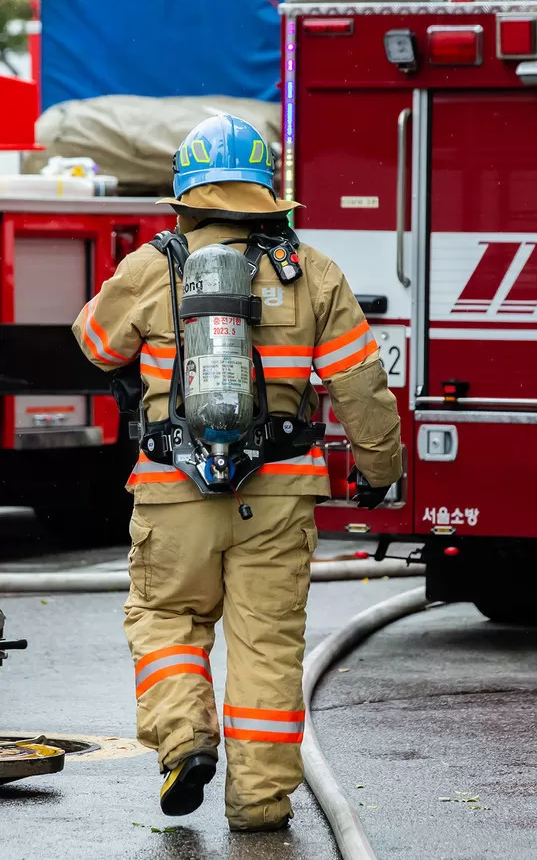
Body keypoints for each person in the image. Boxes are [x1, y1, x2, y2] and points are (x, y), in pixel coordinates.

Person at [72, 114, 402, 832]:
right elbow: (362, 385)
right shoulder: (311, 271)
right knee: (267, 648)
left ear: (187, 194)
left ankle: (186, 738)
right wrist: (379, 470)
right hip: (280, 495)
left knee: (166, 617)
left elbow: (95, 343)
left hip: (171, 492)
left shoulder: (154, 264)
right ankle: (257, 803)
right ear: (265, 191)